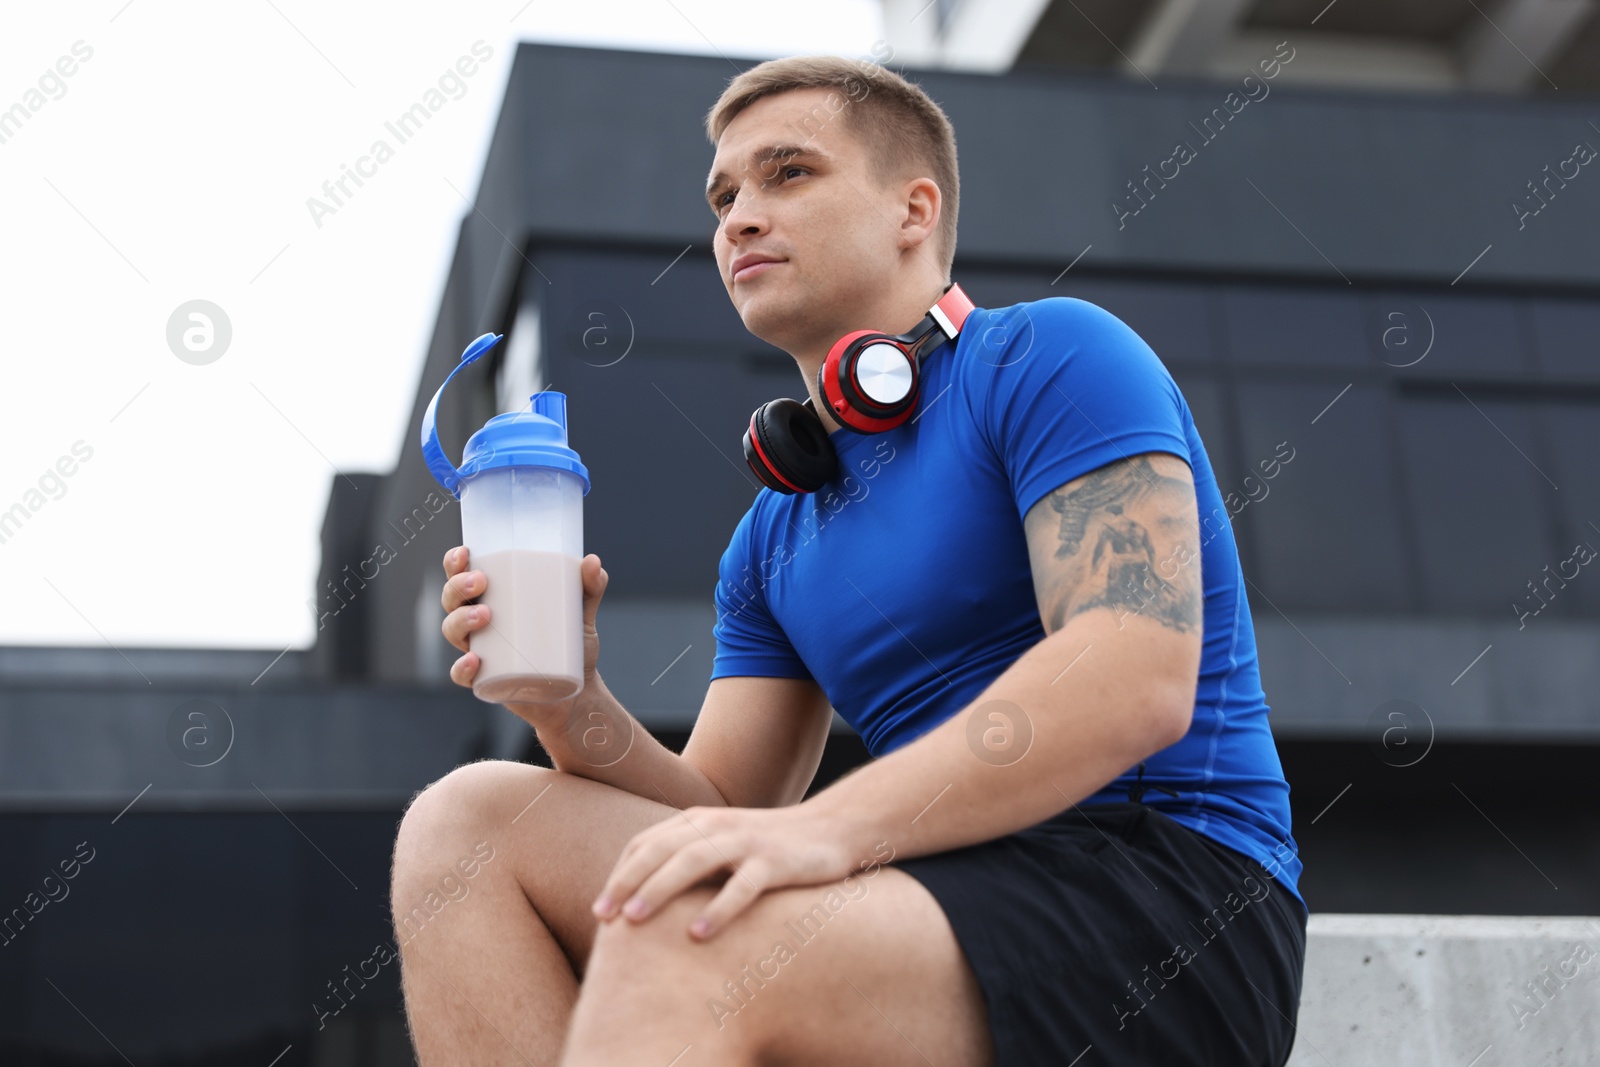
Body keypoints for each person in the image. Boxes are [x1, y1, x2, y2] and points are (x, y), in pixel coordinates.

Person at [390, 53, 1307, 1067]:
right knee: (462, 826)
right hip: (920, 892)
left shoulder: (1053, 355)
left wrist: (829, 831)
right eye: (724, 193)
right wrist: (569, 701)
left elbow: (1132, 674)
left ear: (914, 210)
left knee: (689, 930)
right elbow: (725, 816)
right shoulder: (773, 534)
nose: (738, 216)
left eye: (788, 174)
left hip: (1160, 895)